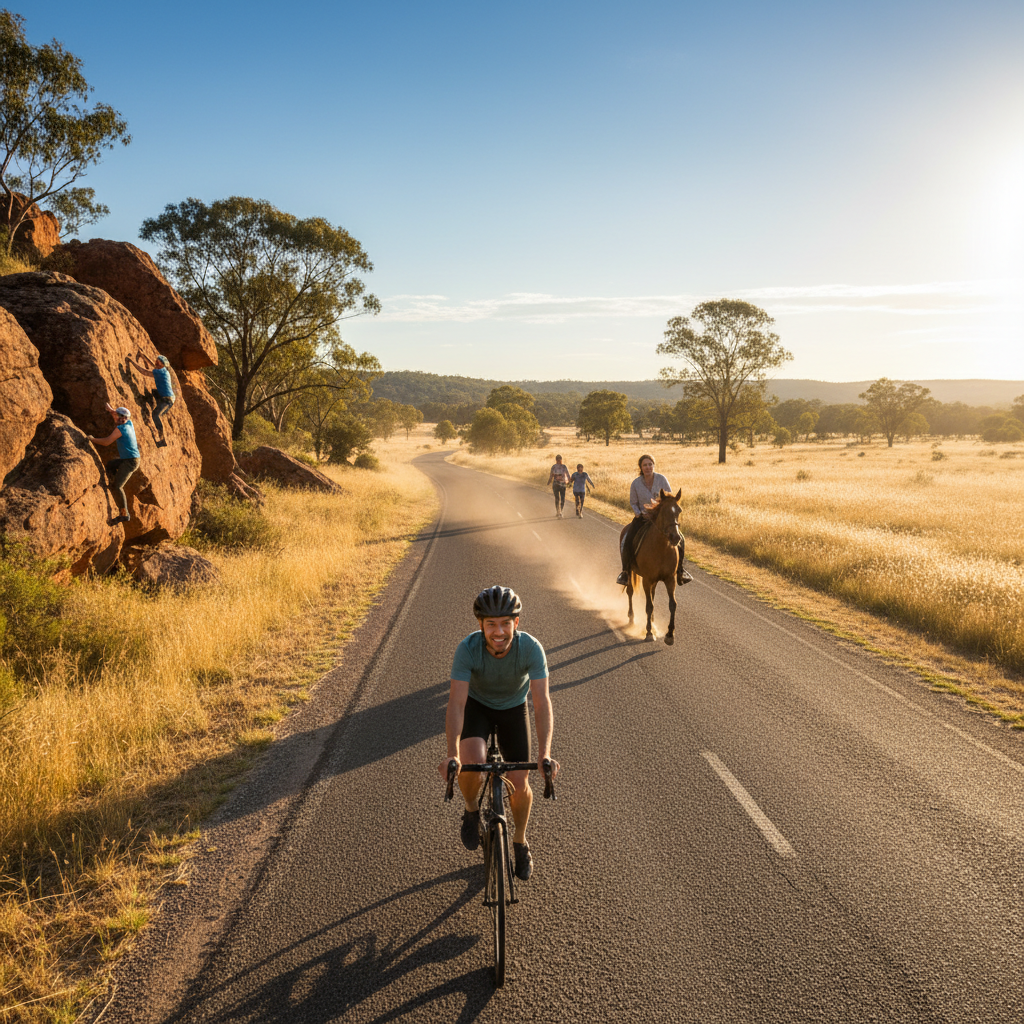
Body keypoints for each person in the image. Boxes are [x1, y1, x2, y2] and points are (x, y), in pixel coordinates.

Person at [439, 586, 559, 881]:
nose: (499, 632)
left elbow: (542, 703)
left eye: (506, 623)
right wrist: (452, 755)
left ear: (516, 623)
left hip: (513, 709)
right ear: (480, 625)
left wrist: (545, 754)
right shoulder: (467, 649)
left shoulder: (531, 648)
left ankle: (519, 841)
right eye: (491, 624)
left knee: (519, 783)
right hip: (477, 707)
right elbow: (456, 704)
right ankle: (471, 810)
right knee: (471, 764)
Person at [615, 453, 693, 587]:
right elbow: (633, 502)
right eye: (645, 465)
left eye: (650, 464)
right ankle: (626, 572)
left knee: (681, 538)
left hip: (661, 519)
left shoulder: (662, 479)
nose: (648, 467)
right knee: (627, 538)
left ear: (653, 466)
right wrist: (639, 513)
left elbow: (669, 499)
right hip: (642, 518)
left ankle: (680, 570)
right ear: (641, 467)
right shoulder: (636, 483)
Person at [87, 404, 140, 525]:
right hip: (130, 458)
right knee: (111, 465)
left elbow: (106, 442)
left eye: (120, 417)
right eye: (117, 415)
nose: (117, 418)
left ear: (124, 418)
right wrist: (112, 410)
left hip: (131, 462)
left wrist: (92, 439)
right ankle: (111, 482)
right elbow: (119, 416)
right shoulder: (129, 423)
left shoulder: (121, 429)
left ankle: (124, 514)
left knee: (117, 487)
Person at [126, 353, 175, 447]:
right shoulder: (163, 370)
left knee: (155, 415)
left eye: (158, 362)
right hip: (162, 396)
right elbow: (154, 365)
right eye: (157, 361)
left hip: (167, 400)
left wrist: (132, 362)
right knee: (153, 392)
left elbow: (144, 372)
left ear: (162, 365)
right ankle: (153, 403)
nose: (156, 363)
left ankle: (162, 439)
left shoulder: (160, 373)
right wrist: (143, 356)